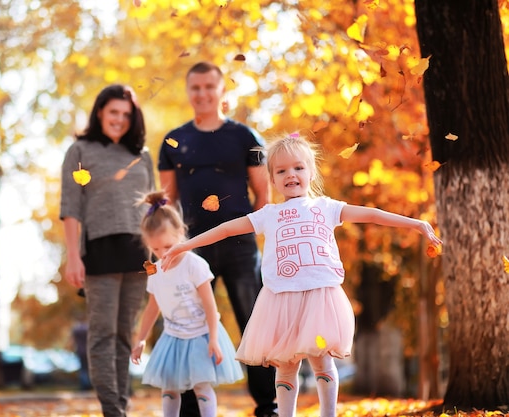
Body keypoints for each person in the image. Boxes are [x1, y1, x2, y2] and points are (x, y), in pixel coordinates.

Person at [161, 134, 443, 417]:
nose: (290, 175)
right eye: (281, 171)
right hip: (281, 302)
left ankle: (328, 414)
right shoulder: (268, 215)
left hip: (320, 298)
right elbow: (226, 229)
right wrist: (186, 244)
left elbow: (372, 215)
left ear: (311, 172)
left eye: (297, 167)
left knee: (321, 361)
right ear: (272, 180)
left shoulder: (327, 208)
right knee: (285, 365)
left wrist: (416, 224)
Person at [158, 61, 277, 417]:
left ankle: (267, 406)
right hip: (193, 249)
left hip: (240, 248)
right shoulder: (173, 141)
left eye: (210, 86)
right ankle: (192, 408)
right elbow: (167, 202)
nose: (203, 94)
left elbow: (263, 196)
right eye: (195, 87)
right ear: (188, 91)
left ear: (221, 90)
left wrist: (248, 230)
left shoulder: (245, 137)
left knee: (252, 324)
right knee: (192, 325)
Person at [60, 84, 154, 417]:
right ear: (100, 112)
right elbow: (70, 207)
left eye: (126, 115)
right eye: (113, 112)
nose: (119, 120)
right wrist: (73, 257)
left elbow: (154, 209)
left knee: (124, 337)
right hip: (99, 252)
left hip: (139, 255)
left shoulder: (141, 155)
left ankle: (121, 408)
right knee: (102, 335)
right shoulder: (80, 150)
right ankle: (113, 411)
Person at [130, 191, 244, 417]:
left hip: (201, 334)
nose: (163, 254)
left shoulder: (194, 264)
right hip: (173, 337)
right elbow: (153, 307)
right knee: (169, 387)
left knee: (202, 385)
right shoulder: (155, 270)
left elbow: (210, 305)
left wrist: (213, 338)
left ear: (181, 233)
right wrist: (141, 339)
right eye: (155, 249)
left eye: (168, 246)